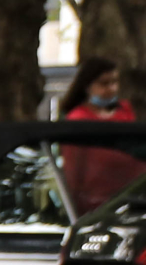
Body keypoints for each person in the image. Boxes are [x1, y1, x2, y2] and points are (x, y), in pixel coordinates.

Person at [61, 57, 143, 214]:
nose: (111, 89)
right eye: (104, 84)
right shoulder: (78, 119)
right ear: (87, 86)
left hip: (131, 197)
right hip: (98, 204)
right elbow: (73, 169)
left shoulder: (125, 111)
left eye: (114, 82)